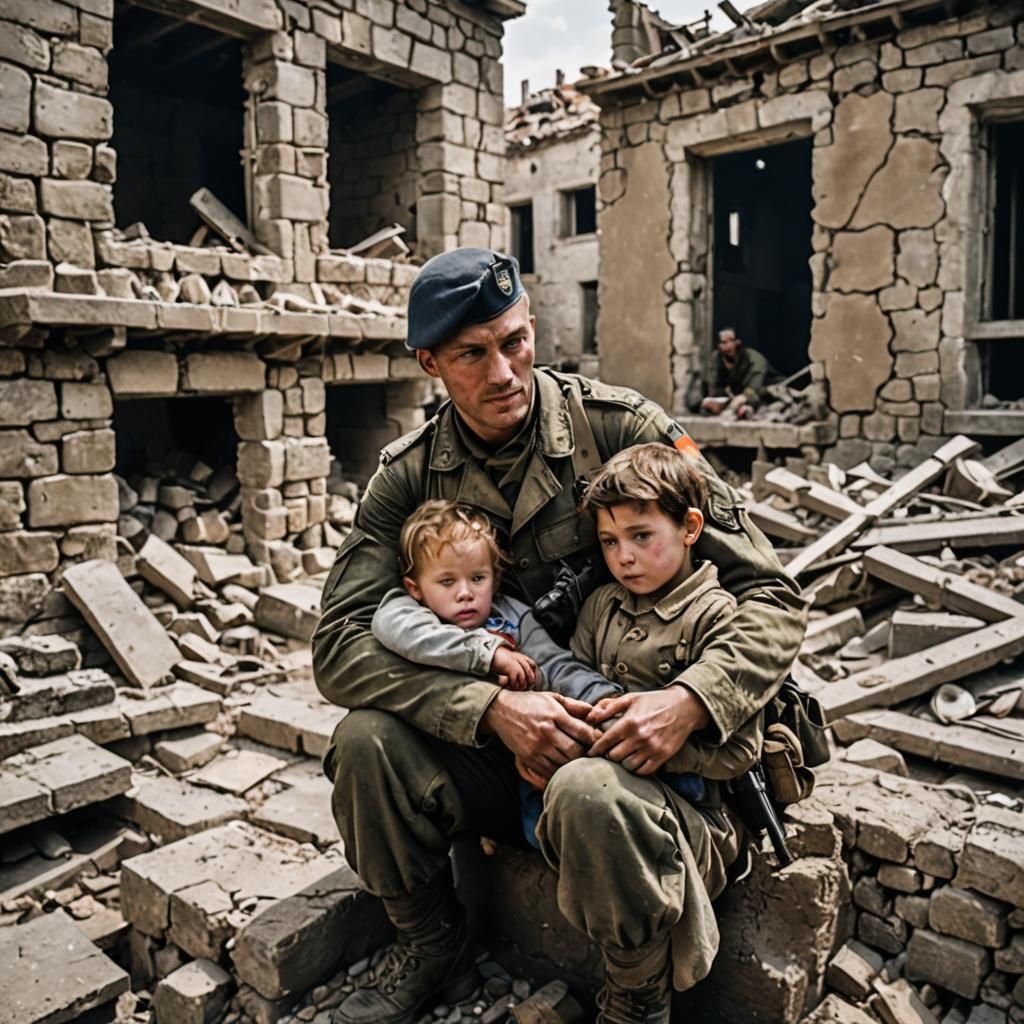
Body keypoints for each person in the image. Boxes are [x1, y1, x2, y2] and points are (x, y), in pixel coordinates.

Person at [312, 248, 806, 1024]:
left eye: (514, 341)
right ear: (429, 363)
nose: (503, 373)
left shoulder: (624, 429)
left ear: (533, 328)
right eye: (472, 355)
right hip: (501, 752)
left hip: (637, 756)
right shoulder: (408, 476)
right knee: (364, 743)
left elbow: (771, 594)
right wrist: (488, 709)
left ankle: (635, 1001)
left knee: (587, 791)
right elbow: (340, 641)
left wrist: (689, 701)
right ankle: (431, 944)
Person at [701, 327, 781, 417]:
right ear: (719, 345)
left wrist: (739, 400)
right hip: (738, 395)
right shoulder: (716, 359)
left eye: (731, 340)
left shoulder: (754, 359)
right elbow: (712, 385)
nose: (728, 345)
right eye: (724, 342)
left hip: (770, 391)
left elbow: (753, 388)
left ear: (738, 342)